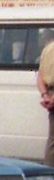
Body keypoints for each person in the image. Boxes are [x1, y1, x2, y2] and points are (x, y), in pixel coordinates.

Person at [38, 32, 54, 167]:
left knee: (53, 141)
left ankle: (49, 175)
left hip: (49, 92)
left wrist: (45, 95)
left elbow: (40, 76)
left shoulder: (48, 49)